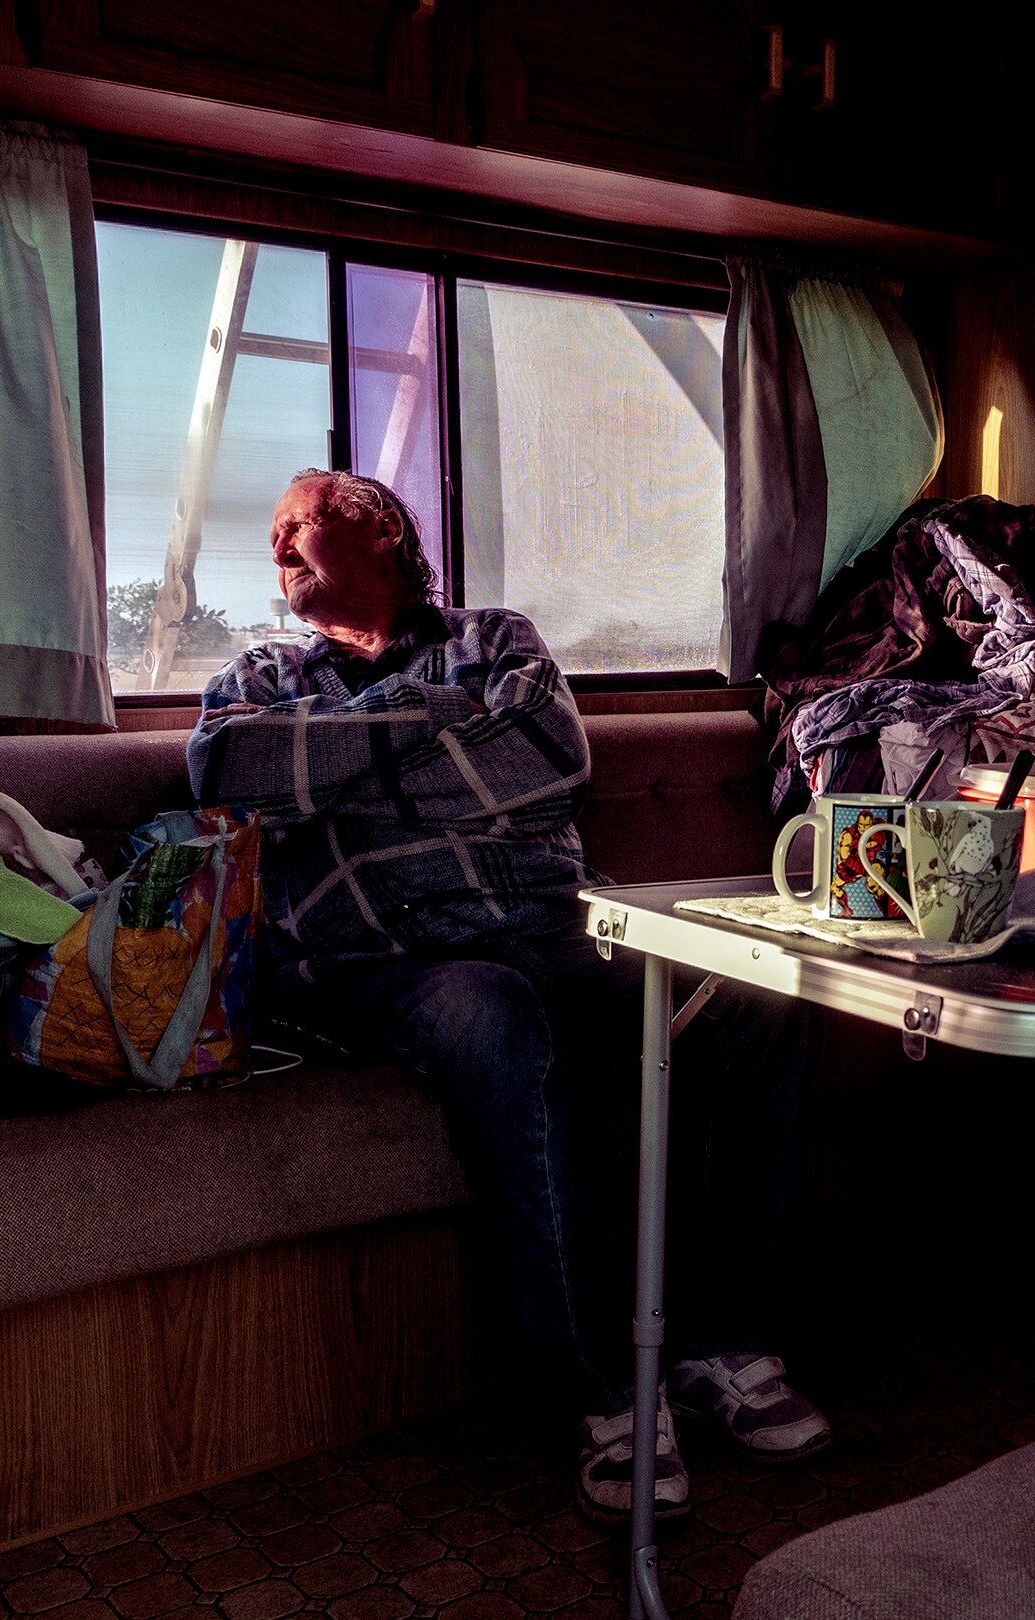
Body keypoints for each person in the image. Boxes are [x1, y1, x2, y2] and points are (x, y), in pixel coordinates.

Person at [186, 469, 830, 1523]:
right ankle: (603, 1389)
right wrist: (438, 719)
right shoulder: (261, 672)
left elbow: (544, 752)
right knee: (490, 1009)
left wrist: (343, 767)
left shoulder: (495, 638)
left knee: (755, 992)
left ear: (381, 529)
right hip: (384, 957)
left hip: (553, 923)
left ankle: (722, 1344)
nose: (275, 552)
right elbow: (231, 773)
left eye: (294, 525)